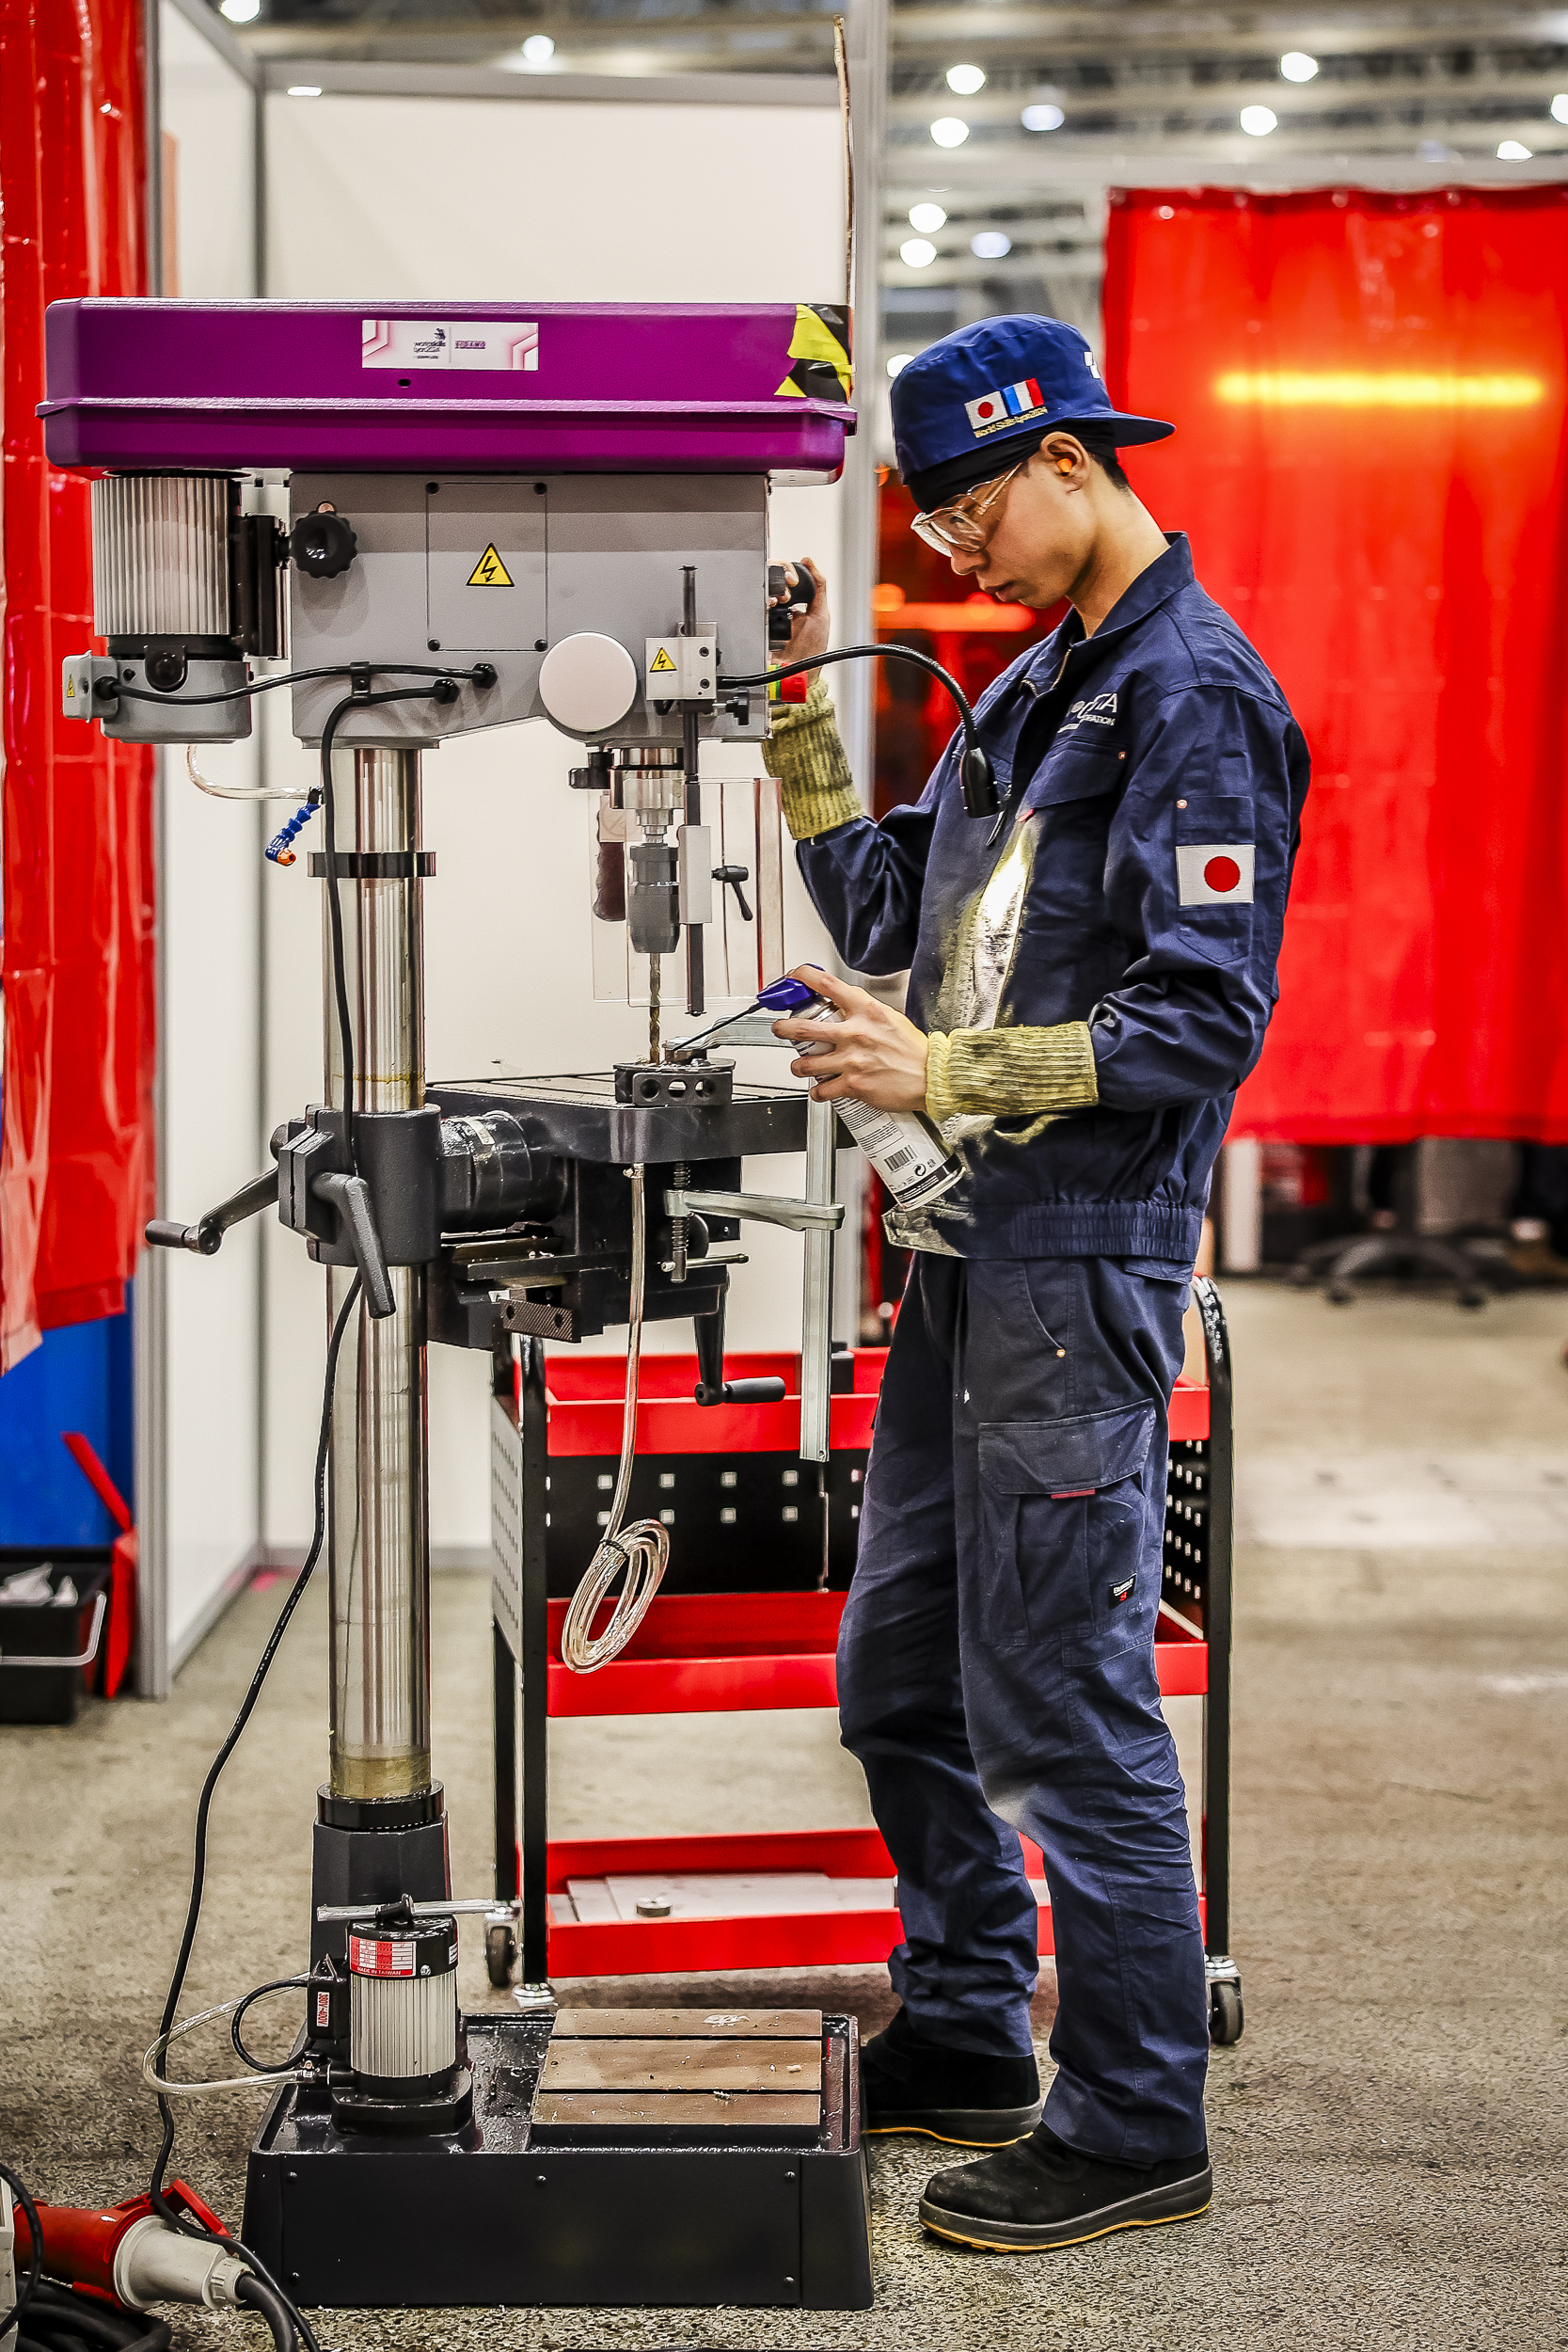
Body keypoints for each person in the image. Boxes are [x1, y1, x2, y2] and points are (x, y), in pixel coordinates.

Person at [761, 315, 1308, 2254]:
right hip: (968, 1256)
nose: (962, 553)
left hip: (1077, 1264)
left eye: (976, 508)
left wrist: (949, 1070)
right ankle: (977, 2029)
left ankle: (1139, 2112)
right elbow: (900, 912)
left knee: (1063, 1702)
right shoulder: (1037, 690)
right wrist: (787, 706)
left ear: (1067, 457)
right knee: (901, 1672)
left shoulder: (1194, 698)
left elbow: (1202, 1016)